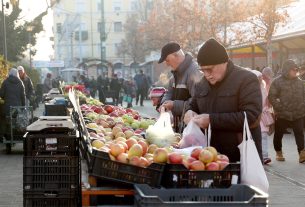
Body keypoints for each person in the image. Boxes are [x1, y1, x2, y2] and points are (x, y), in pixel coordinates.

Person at [184, 38, 262, 162]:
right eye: (202, 70)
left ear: (224, 62)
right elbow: (193, 105)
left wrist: (212, 120)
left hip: (240, 155)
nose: (207, 74)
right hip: (209, 156)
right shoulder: (201, 83)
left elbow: (251, 116)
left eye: (210, 69)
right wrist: (188, 112)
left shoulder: (246, 79)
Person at [158, 42, 202, 132]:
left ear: (176, 55)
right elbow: (169, 92)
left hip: (193, 130)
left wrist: (174, 105)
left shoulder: (194, 72)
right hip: (181, 127)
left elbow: (198, 102)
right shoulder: (175, 74)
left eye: (167, 60)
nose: (167, 64)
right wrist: (164, 103)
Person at [268, 59, 305, 163]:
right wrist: (279, 107)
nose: (296, 71)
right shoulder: (277, 81)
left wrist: (303, 105)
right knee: (279, 134)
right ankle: (278, 152)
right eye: (293, 69)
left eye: (296, 69)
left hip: (298, 113)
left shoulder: (300, 82)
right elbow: (271, 96)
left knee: (299, 133)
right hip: (282, 114)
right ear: (287, 70)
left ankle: (302, 154)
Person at [251, 70, 274, 165]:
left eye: (261, 78)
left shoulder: (263, 88)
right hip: (253, 117)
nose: (260, 80)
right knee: (253, 138)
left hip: (262, 117)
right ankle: (255, 156)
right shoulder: (248, 89)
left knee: (263, 136)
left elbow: (267, 102)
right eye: (258, 78)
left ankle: (264, 156)